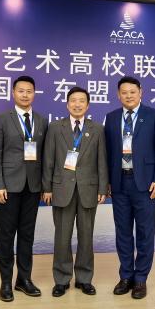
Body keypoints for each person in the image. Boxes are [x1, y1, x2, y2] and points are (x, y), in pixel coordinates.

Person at [104, 76, 155, 299]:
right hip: (119, 183)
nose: (128, 96)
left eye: (132, 91)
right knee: (122, 232)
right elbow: (107, 153)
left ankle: (141, 279)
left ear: (140, 92)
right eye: (124, 92)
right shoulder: (112, 117)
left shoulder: (153, 115)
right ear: (118, 94)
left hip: (145, 184)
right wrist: (107, 182)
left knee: (144, 233)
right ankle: (126, 276)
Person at [42, 86, 109, 297]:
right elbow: (48, 159)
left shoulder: (97, 129)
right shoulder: (55, 128)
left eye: (81, 101)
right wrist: (47, 187)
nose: (77, 104)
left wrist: (102, 188)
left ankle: (84, 279)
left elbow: (102, 161)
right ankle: (61, 280)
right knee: (62, 237)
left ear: (88, 105)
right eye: (73, 100)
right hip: (61, 189)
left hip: (88, 189)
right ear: (67, 104)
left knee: (86, 237)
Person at [0, 75, 48, 302]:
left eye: (29, 91)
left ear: (34, 94)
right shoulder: (2, 119)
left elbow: (45, 156)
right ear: (13, 93)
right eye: (21, 91)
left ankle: (24, 279)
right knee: (6, 236)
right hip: (9, 187)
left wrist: (44, 185)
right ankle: (5, 282)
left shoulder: (41, 121)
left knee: (27, 235)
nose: (25, 95)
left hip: (32, 187)